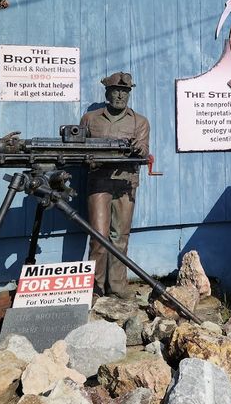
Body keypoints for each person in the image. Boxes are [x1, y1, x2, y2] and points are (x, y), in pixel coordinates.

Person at [80, 72, 150, 298]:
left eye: (125, 91)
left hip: (125, 184)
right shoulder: (91, 119)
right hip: (99, 183)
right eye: (116, 91)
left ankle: (117, 289)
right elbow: (77, 149)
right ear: (107, 93)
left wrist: (139, 150)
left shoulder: (140, 121)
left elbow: (144, 149)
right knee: (99, 237)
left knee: (120, 237)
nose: (120, 95)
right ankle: (94, 290)